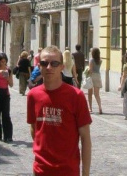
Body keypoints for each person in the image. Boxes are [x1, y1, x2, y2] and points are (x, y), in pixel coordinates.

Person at [27, 45, 92, 176]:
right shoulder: (33, 95)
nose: (49, 67)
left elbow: (85, 139)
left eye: (54, 63)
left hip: (68, 170)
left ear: (62, 67)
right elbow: (35, 130)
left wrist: (85, 173)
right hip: (41, 170)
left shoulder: (76, 96)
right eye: (44, 63)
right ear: (39, 66)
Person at [87, 47, 103, 114]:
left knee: (90, 93)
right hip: (98, 76)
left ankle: (90, 108)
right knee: (97, 94)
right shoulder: (100, 60)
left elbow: (90, 70)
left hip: (92, 76)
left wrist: (87, 71)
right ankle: (100, 107)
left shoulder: (91, 60)